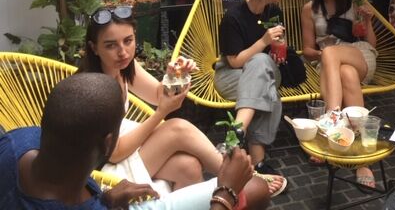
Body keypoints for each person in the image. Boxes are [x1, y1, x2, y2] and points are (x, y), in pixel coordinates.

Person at [77, 6, 276, 200]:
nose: (123, 52)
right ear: (94, 48)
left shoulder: (123, 67)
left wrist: (175, 77)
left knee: (189, 167)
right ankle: (238, 177)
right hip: (100, 173)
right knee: (177, 127)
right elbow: (114, 153)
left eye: (128, 41)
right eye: (110, 45)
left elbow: (157, 94)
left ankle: (227, 181)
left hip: (121, 150)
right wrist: (160, 113)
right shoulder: (94, 89)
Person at [0, 72, 269, 210]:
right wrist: (225, 194)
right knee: (251, 190)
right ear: (108, 142)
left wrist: (105, 199)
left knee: (255, 187)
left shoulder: (16, 143)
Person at [301, 0, 378, 190]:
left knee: (332, 53)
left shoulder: (352, 3)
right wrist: (325, 56)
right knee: (346, 74)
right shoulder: (309, 9)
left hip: (358, 54)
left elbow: (372, 44)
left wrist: (367, 20)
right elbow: (307, 50)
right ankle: (362, 161)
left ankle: (331, 118)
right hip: (328, 65)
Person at [214, 0, 288, 195]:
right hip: (231, 75)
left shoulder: (273, 12)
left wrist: (279, 47)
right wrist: (264, 41)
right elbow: (235, 62)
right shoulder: (233, 18)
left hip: (267, 71)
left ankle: (235, 134)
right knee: (266, 89)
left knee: (261, 64)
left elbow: (277, 51)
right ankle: (258, 161)